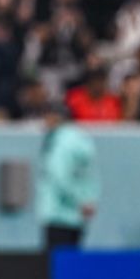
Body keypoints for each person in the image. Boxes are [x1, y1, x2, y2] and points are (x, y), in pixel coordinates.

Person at [35, 104, 100, 251]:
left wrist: (77, 200)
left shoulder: (60, 143)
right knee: (72, 258)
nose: (44, 122)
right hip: (77, 216)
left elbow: (59, 176)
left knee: (56, 264)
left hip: (58, 213)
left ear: (56, 118)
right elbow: (91, 176)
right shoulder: (83, 140)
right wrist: (88, 201)